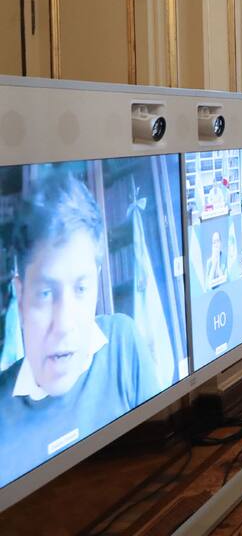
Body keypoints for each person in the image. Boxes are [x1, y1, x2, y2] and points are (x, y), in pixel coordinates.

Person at [0, 174, 156, 487]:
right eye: (46, 293)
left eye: (81, 289)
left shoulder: (122, 343)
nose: (64, 325)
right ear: (21, 296)